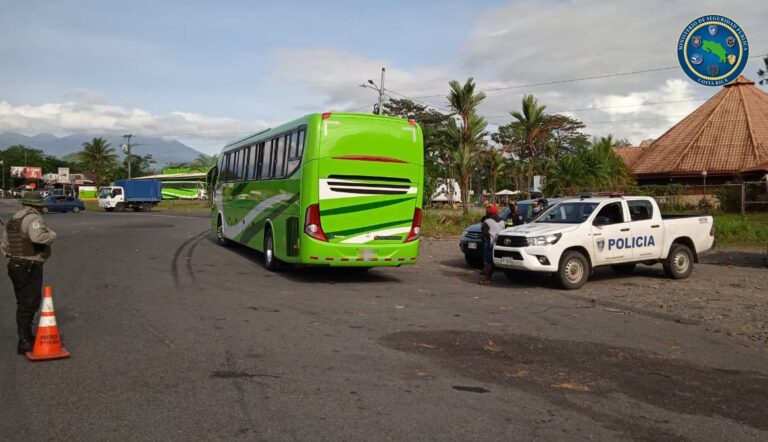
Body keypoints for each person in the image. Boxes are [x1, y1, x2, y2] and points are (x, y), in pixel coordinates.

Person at [1, 191, 57, 355]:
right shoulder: (33, 218)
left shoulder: (15, 218)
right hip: (29, 264)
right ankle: (25, 341)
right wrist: (52, 234)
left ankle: (26, 337)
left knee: (23, 301)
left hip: (15, 263)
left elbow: (4, 244)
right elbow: (38, 237)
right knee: (29, 303)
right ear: (37, 205)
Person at [480, 205, 505, 285]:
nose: (486, 212)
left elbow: (484, 232)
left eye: (487, 211)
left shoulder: (487, 221)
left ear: (489, 212)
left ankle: (488, 279)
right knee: (494, 260)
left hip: (489, 242)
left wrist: (488, 238)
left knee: (488, 261)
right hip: (499, 243)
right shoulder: (502, 221)